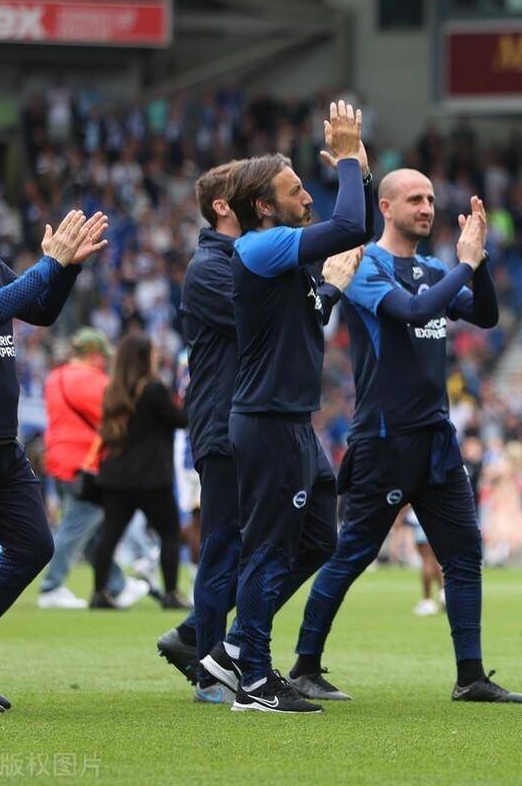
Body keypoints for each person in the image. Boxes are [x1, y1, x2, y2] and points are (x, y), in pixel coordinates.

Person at [293, 167, 522, 704]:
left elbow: (486, 316)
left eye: (430, 199)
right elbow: (415, 311)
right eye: (415, 200)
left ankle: (471, 677)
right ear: (388, 208)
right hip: (385, 438)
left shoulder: (429, 267)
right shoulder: (366, 267)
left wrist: (480, 261)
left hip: (436, 440)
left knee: (465, 555)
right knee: (352, 552)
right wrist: (465, 265)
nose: (427, 207)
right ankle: (305, 665)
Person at [155, 161, 360, 703]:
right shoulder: (214, 267)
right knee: (227, 543)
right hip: (231, 419)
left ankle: (229, 643)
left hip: (281, 414)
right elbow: (278, 325)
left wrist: (328, 292)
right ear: (229, 205)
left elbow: (301, 316)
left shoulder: (263, 254)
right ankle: (211, 662)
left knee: (316, 534)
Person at [198, 100, 371, 714]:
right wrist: (348, 160)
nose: (307, 194)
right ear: (264, 208)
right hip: (268, 421)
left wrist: (363, 177)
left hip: (292, 421)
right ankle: (254, 677)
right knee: (269, 545)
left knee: (320, 536)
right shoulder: (261, 248)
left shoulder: (282, 255)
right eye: (295, 188)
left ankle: (232, 648)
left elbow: (354, 231)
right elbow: (351, 227)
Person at [0, 209, 108, 713]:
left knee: (33, 545)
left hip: (3, 445)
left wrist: (65, 269)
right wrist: (49, 263)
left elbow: (36, 310)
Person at [39, 328, 149, 610]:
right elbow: (116, 415)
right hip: (85, 462)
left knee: (89, 532)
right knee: (76, 528)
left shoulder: (55, 377)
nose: (106, 362)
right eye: (103, 357)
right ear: (93, 355)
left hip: (60, 460)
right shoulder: (91, 379)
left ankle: (116, 584)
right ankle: (52, 587)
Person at [91, 334, 190, 610]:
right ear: (144, 358)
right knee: (169, 534)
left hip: (116, 477)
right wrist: (191, 394)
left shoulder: (112, 390)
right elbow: (181, 419)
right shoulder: (154, 389)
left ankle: (99, 592)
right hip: (151, 478)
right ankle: (171, 593)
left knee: (110, 535)